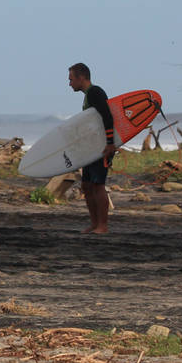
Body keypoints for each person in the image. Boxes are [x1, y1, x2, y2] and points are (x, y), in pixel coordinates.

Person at [68, 62, 117, 234]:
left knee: (98, 185)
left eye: (71, 79)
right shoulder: (88, 94)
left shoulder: (96, 92)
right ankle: (95, 224)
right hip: (90, 148)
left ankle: (103, 226)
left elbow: (107, 117)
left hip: (102, 147)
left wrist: (110, 143)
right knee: (87, 185)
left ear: (81, 77)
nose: (69, 83)